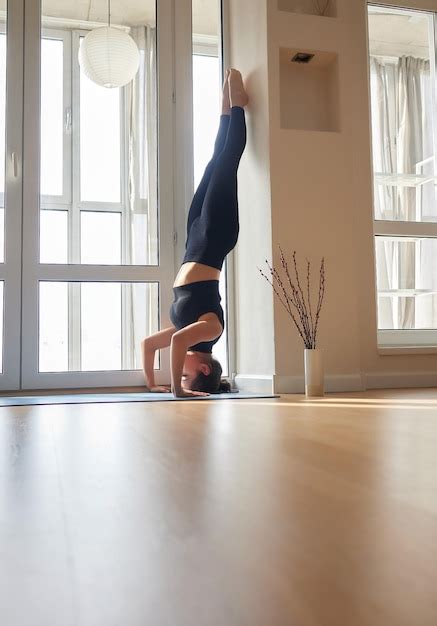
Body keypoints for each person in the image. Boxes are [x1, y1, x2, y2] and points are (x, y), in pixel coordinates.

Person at [141, 68, 248, 398]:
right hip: (216, 235)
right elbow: (174, 343)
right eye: (187, 378)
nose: (180, 374)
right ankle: (238, 106)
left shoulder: (188, 331)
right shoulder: (211, 331)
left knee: (212, 164)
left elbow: (148, 344)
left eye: (180, 378)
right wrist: (178, 391)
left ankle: (224, 110)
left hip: (194, 241)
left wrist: (150, 383)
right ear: (203, 369)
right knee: (228, 162)